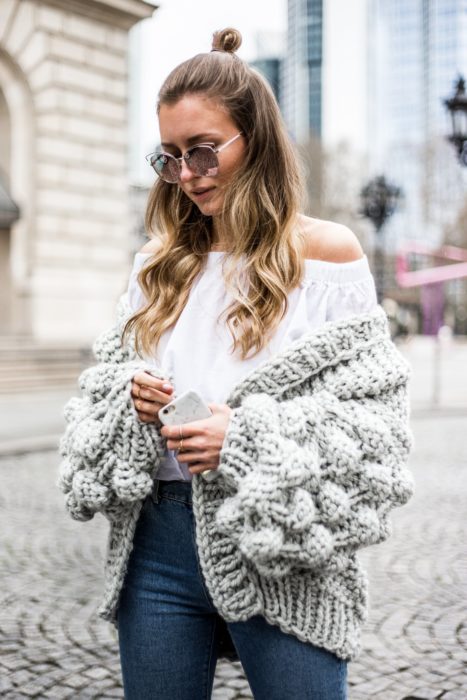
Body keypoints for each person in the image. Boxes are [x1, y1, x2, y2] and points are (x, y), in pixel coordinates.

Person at [58, 28, 415, 700]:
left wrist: (243, 441)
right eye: (169, 157)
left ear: (255, 138)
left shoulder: (327, 257)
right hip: (155, 548)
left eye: (202, 151)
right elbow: (91, 400)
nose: (186, 175)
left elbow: (376, 439)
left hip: (283, 548)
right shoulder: (155, 265)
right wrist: (124, 397)